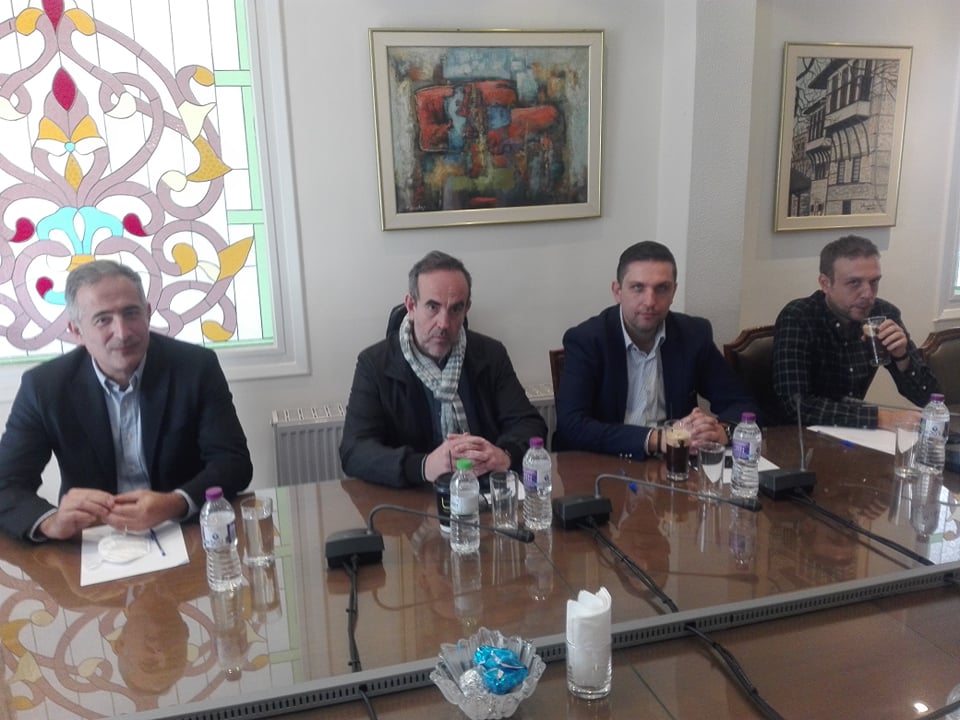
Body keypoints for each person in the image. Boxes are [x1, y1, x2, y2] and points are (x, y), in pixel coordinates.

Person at [0, 260, 252, 541]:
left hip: (181, 529)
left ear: (147, 313)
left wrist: (175, 502)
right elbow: (6, 483)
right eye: (102, 320)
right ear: (76, 331)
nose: (122, 333)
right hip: (93, 538)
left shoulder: (196, 367)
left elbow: (233, 462)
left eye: (131, 313)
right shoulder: (43, 387)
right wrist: (51, 522)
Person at [339, 250, 547, 488]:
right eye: (432, 307)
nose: (444, 323)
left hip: (481, 489)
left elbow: (530, 424)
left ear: (467, 309)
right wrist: (423, 465)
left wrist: (504, 455)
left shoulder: (490, 354)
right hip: (411, 495)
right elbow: (354, 451)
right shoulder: (374, 364)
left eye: (455, 309)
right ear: (411, 306)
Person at [554, 241, 756, 458]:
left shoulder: (693, 335)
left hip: (674, 465)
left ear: (673, 291)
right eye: (637, 288)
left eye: (661, 288)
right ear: (617, 291)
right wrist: (660, 439)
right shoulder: (587, 340)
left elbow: (743, 404)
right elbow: (571, 426)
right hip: (605, 462)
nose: (650, 301)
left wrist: (721, 432)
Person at [772, 235, 940, 429]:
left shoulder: (883, 314)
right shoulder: (799, 317)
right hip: (798, 435)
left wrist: (902, 358)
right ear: (825, 283)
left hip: (855, 433)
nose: (868, 294)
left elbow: (931, 399)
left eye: (874, 282)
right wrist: (881, 418)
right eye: (854, 283)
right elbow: (796, 405)